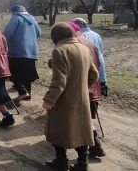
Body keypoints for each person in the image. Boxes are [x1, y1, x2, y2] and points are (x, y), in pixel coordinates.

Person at [43, 22, 99, 171]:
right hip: (82, 99)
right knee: (81, 130)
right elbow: (94, 74)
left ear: (56, 36)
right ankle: (82, 164)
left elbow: (59, 80)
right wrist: (80, 87)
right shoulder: (84, 48)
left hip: (63, 100)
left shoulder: (60, 50)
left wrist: (49, 99)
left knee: (56, 130)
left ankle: (61, 162)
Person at [69, 22, 106, 158]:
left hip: (78, 86)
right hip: (92, 84)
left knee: (79, 118)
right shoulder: (89, 41)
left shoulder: (74, 44)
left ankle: (93, 145)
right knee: (84, 116)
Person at [3, 5, 41, 101]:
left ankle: (22, 91)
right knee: (26, 73)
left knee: (13, 71)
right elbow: (39, 33)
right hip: (31, 51)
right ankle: (28, 94)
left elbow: (7, 33)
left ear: (14, 12)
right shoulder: (32, 19)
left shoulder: (16, 18)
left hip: (17, 50)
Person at [72, 18, 108, 97]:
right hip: (99, 64)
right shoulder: (96, 34)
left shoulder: (81, 37)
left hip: (90, 66)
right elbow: (101, 50)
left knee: (89, 93)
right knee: (97, 91)